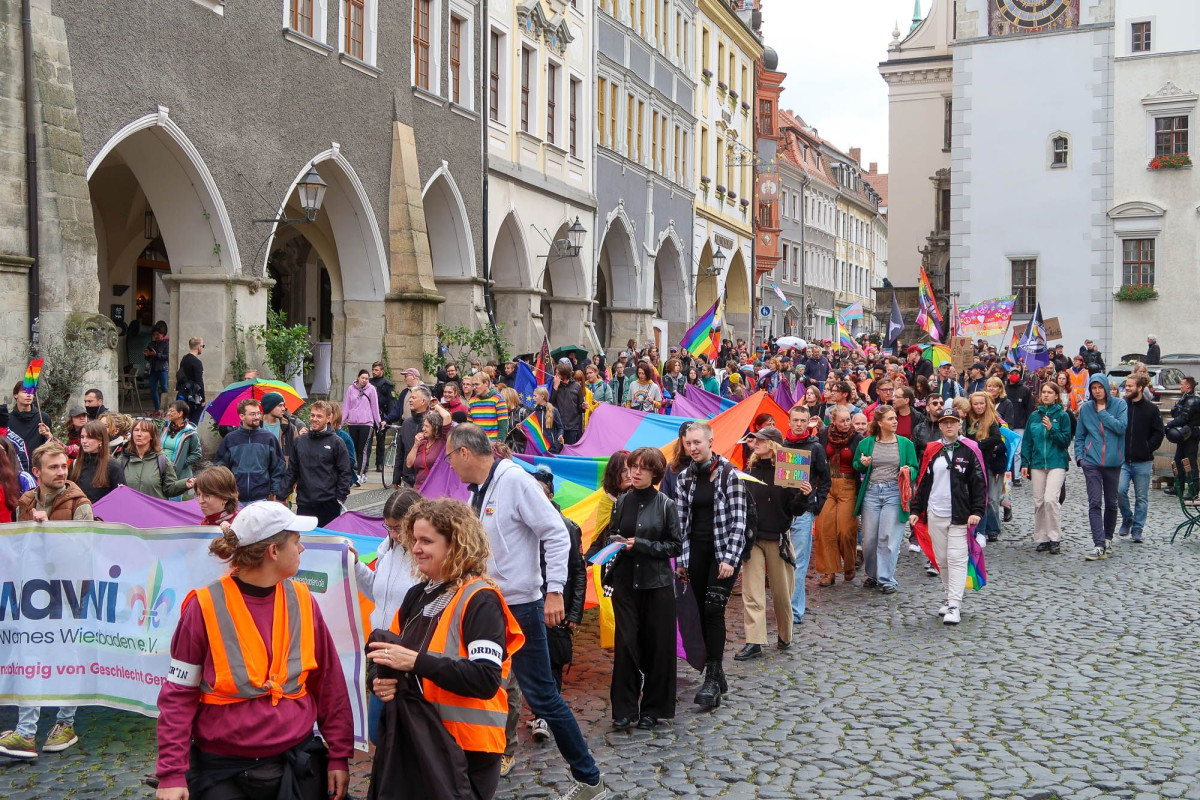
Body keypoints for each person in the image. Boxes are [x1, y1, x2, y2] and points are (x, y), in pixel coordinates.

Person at [444, 424, 605, 800]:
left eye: (450, 457)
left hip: (521, 606)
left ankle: (589, 778)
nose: (449, 465)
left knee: (543, 695)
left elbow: (557, 533)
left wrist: (555, 592)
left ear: (465, 452)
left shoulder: (515, 481)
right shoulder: (479, 490)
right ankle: (473, 764)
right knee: (482, 685)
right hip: (490, 603)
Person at [154, 502, 351, 800]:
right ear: (273, 551)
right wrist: (171, 774)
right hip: (223, 769)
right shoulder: (203, 607)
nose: (302, 549)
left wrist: (338, 754)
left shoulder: (303, 600)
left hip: (295, 758)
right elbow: (178, 695)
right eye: (296, 541)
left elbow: (328, 682)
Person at [366, 498, 524, 800]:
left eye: (426, 541)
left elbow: (485, 678)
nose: (415, 548)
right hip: (422, 737)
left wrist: (416, 662)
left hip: (467, 749)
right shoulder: (417, 595)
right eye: (415, 540)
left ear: (456, 545)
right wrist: (380, 679)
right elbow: (386, 650)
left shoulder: (481, 600)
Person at [1, 442, 93, 759]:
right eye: (53, 467)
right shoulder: (26, 501)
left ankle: (65, 723)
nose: (61, 472)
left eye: (64, 466)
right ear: (37, 472)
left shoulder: (80, 503)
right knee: (29, 654)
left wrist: (50, 530)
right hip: (32, 592)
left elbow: (85, 551)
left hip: (68, 593)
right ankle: (26, 732)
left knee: (66, 655)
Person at [598, 445, 683, 731]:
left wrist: (642, 544)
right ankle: (623, 709)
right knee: (625, 646)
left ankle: (653, 709)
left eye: (642, 468)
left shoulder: (666, 505)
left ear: (654, 473)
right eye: (633, 467)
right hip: (625, 583)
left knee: (658, 647)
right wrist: (615, 543)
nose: (635, 472)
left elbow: (675, 545)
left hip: (656, 585)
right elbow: (613, 532)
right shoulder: (622, 501)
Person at [674, 421, 747, 709]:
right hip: (696, 553)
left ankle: (712, 679)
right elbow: (681, 524)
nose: (693, 448)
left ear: (710, 442)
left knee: (713, 610)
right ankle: (716, 673)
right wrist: (682, 560)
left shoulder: (729, 474)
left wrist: (730, 559)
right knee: (700, 613)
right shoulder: (684, 478)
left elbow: (739, 522)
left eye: (697, 443)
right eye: (688, 443)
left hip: (723, 552)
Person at [351, 488, 421, 744]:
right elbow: (377, 592)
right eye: (389, 527)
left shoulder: (425, 556)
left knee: (401, 733)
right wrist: (356, 566)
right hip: (380, 652)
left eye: (398, 528)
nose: (393, 534)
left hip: (407, 655)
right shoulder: (387, 549)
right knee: (378, 731)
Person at [908, 407, 987, 625]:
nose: (949, 425)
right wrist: (916, 510)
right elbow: (924, 481)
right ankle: (949, 595)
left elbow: (979, 481)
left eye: (953, 422)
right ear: (940, 426)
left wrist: (977, 511)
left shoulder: (970, 449)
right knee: (942, 559)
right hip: (936, 512)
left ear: (960, 424)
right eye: (945, 422)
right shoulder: (933, 449)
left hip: (960, 513)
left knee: (956, 558)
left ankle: (954, 604)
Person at [737, 427, 807, 659]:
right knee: (752, 592)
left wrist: (804, 496)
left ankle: (785, 635)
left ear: (772, 444)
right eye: (755, 440)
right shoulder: (749, 471)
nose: (755, 443)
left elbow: (795, 509)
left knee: (781, 594)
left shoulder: (789, 469)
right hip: (753, 538)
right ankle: (754, 640)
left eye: (760, 440)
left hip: (778, 538)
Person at [853, 407, 919, 595]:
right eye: (890, 419)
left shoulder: (905, 444)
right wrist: (862, 464)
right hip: (871, 492)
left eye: (895, 418)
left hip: (894, 493)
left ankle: (886, 579)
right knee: (869, 539)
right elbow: (856, 464)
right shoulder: (866, 443)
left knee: (888, 537)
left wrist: (908, 471)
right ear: (880, 423)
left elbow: (915, 467)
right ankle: (873, 574)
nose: (895, 421)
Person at [781, 404, 830, 621]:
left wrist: (816, 505)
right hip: (783, 511)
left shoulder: (815, 447)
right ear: (789, 422)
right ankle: (784, 606)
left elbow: (825, 479)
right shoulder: (781, 446)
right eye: (796, 420)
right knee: (782, 562)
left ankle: (794, 611)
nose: (799, 424)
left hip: (804, 511)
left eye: (803, 420)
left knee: (799, 562)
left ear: (808, 421)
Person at [1075, 374, 1128, 560]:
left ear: (1106, 388)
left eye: (1100, 387)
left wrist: (1103, 413)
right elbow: (1080, 435)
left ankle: (1108, 538)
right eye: (1094, 388)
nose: (1097, 391)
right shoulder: (1086, 409)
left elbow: (1121, 428)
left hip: (1113, 461)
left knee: (1112, 502)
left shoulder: (1120, 405)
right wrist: (1080, 457)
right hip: (1091, 462)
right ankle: (1099, 544)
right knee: (1095, 502)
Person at [1020, 383, 1074, 554]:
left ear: (1056, 395)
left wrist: (1051, 429)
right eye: (1043, 392)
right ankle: (1041, 538)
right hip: (1037, 463)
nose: (1046, 395)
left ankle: (1054, 537)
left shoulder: (1063, 416)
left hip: (1056, 462)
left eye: (1050, 392)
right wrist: (1024, 462)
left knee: (1051, 499)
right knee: (1039, 501)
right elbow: (1027, 440)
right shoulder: (1034, 416)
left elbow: (1065, 441)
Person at [283, 400, 353, 527]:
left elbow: (345, 472)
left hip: (329, 505)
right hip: (305, 503)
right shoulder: (300, 442)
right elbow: (292, 471)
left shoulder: (337, 442)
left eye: (319, 416)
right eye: (312, 415)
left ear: (328, 418)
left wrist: (340, 497)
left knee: (328, 538)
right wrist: (282, 494)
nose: (314, 419)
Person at [814, 407, 863, 586]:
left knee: (845, 529)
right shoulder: (824, 434)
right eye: (842, 420)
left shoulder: (857, 438)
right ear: (833, 421)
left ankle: (849, 564)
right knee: (824, 528)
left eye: (848, 420)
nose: (846, 423)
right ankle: (829, 571)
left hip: (848, 484)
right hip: (827, 485)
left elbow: (861, 463)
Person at [1118, 375, 1164, 544]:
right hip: (1123, 460)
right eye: (1126, 385)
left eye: (1130, 386)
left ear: (1139, 388)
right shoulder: (1122, 406)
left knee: (1141, 497)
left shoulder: (1151, 409)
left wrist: (1148, 447)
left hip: (1143, 461)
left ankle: (1137, 528)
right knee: (1119, 491)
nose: (1127, 388)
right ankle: (1127, 518)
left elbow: (1159, 432)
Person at [213, 399, 287, 503]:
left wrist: (276, 492)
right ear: (242, 416)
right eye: (252, 414)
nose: (257, 417)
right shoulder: (230, 439)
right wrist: (225, 491)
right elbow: (220, 468)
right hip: (235, 499)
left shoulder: (269, 438)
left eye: (258, 413)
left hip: (262, 499)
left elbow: (278, 468)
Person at [966, 392, 1006, 543]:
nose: (979, 406)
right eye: (975, 404)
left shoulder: (992, 419)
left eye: (981, 403)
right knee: (976, 496)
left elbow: (996, 438)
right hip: (972, 462)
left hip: (989, 463)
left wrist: (978, 445)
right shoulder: (968, 419)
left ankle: (991, 529)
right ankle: (979, 528)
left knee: (991, 499)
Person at [120, 418, 189, 499]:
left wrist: (185, 484)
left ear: (152, 436)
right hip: (129, 506)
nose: (139, 434)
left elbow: (169, 488)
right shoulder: (123, 459)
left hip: (152, 507)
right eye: (136, 430)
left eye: (144, 431)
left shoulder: (162, 460)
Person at [69, 420, 125, 504]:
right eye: (82, 437)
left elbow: (121, 499)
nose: (84, 441)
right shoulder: (75, 464)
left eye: (89, 437)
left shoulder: (113, 466)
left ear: (100, 440)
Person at [390, 386, 436, 488]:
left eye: (414, 398)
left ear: (423, 401)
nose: (410, 400)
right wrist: (396, 476)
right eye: (410, 397)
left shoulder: (433, 423)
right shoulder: (406, 423)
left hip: (427, 478)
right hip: (408, 476)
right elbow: (401, 451)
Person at [344, 369, 383, 482]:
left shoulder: (371, 389)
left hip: (366, 423)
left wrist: (378, 423)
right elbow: (346, 406)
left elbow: (375, 407)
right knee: (354, 448)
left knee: (363, 449)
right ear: (358, 377)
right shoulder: (351, 389)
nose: (364, 380)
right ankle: (358, 472)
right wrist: (341, 422)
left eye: (367, 378)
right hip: (352, 423)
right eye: (363, 378)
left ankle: (360, 474)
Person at [160, 400, 202, 500]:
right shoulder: (165, 428)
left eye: (171, 411)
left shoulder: (190, 432)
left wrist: (182, 462)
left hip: (178, 474)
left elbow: (197, 454)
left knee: (174, 502)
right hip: (161, 470)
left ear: (180, 413)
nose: (168, 413)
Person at [1167, 376, 1200, 501]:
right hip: (1184, 434)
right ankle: (1178, 487)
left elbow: (1184, 418)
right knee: (1178, 460)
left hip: (1191, 434)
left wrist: (1169, 425)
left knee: (1190, 462)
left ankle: (1193, 490)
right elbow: (1175, 413)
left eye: (1182, 384)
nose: (1180, 386)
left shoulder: (1193, 400)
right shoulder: (1185, 398)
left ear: (1188, 386)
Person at [260, 391, 303, 476]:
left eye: (283, 405)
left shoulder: (290, 428)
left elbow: (298, 455)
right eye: (280, 405)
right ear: (270, 406)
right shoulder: (256, 427)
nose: (283, 409)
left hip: (283, 476)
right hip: (261, 476)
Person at [406, 411, 448, 491]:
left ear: (435, 428)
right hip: (418, 489)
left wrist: (436, 406)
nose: (423, 429)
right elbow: (409, 464)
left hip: (434, 490)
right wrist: (415, 445)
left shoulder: (442, 442)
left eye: (427, 426)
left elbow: (447, 417)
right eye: (423, 426)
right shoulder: (421, 444)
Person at [9, 381, 51, 461]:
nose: (29, 395)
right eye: (25, 392)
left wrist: (48, 436)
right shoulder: (7, 420)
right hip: (15, 464)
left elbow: (50, 446)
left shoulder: (43, 418)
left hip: (37, 463)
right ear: (15, 395)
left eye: (31, 392)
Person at [466, 372, 510, 444]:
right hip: (475, 444)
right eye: (473, 385)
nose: (474, 388)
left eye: (477, 384)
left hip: (492, 445)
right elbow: (469, 425)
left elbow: (503, 425)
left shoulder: (498, 399)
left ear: (486, 383)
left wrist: (499, 444)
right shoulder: (472, 401)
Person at [371, 362, 398, 472]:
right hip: (369, 415)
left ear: (382, 371)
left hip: (382, 415)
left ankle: (380, 463)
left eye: (376, 370)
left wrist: (389, 418)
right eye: (373, 370)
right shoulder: (369, 382)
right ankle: (364, 463)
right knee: (367, 441)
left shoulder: (388, 384)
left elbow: (391, 401)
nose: (374, 372)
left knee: (381, 440)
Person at [550, 364, 585, 445]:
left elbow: (580, 407)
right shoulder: (554, 385)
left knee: (569, 448)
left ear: (564, 375)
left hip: (572, 426)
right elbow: (550, 404)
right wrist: (555, 387)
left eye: (558, 373)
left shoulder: (576, 386)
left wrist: (583, 407)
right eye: (556, 373)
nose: (556, 375)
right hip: (558, 425)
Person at [176, 337, 206, 425]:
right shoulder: (197, 362)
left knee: (183, 421)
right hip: (193, 396)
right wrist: (203, 399)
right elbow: (199, 382)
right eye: (203, 346)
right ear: (199, 347)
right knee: (193, 422)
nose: (202, 348)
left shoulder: (184, 359)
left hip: (183, 393)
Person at [143, 321, 171, 412]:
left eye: (158, 334)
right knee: (152, 388)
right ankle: (157, 408)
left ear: (163, 334)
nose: (156, 336)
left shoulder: (166, 344)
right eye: (155, 335)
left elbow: (167, 357)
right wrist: (147, 354)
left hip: (162, 369)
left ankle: (167, 408)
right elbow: (147, 358)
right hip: (153, 369)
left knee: (164, 388)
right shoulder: (151, 344)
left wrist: (156, 354)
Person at [531, 386, 565, 454]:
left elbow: (560, 427)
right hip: (538, 448)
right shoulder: (534, 412)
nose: (533, 398)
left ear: (542, 397)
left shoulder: (553, 410)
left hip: (552, 448)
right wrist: (522, 427)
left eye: (535, 396)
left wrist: (559, 438)